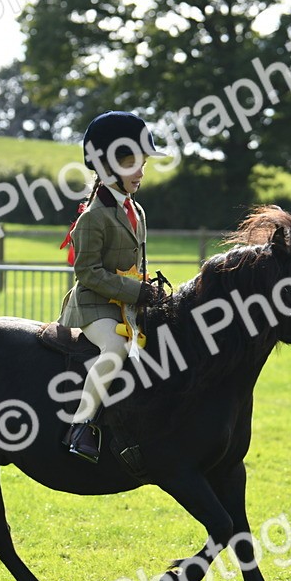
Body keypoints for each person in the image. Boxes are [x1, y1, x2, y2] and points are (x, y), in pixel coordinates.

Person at [57, 111, 164, 463]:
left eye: (143, 162)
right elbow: (86, 272)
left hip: (126, 304)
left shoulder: (138, 211)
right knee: (117, 349)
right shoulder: (94, 217)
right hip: (94, 306)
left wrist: (150, 290)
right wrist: (135, 293)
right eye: (132, 162)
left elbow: (138, 266)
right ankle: (81, 425)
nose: (141, 171)